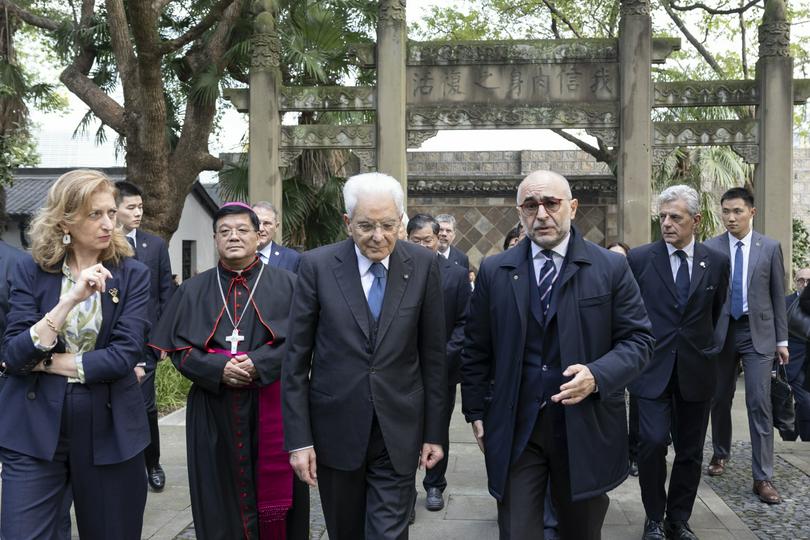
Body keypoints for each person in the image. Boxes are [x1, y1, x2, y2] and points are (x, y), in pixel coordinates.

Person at [461, 170, 654, 539]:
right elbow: (476, 348)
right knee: (517, 529)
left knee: (579, 530)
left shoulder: (610, 268)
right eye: (531, 205)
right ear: (520, 212)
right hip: (518, 425)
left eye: (551, 203)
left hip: (585, 425)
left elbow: (639, 341)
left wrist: (598, 375)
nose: (542, 214)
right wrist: (475, 410)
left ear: (573, 207)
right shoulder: (495, 270)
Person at [282, 172, 447, 539]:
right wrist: (300, 441)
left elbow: (434, 358)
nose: (378, 236)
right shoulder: (316, 266)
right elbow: (295, 362)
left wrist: (435, 434)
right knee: (345, 531)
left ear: (400, 220)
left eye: (388, 225)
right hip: (335, 428)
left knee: (389, 533)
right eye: (366, 226)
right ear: (347, 223)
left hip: (399, 429)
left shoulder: (423, 266)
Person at [0, 169, 150, 539]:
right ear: (65, 220)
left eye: (111, 213)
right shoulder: (29, 270)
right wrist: (69, 300)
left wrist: (46, 362)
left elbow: (123, 356)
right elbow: (14, 354)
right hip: (33, 428)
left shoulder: (133, 274)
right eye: (94, 214)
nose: (107, 223)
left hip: (110, 427)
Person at [150, 203, 308, 539]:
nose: (233, 236)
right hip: (212, 409)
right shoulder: (193, 289)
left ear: (258, 235)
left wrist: (259, 364)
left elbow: (304, 343)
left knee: (279, 500)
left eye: (242, 230)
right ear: (215, 239)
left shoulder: (290, 284)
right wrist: (218, 367)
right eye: (225, 232)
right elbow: (179, 350)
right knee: (215, 494)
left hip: (274, 405)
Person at [627, 185, 730, 540]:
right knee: (652, 444)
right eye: (663, 217)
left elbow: (715, 313)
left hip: (696, 371)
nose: (667, 224)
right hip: (651, 370)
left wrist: (707, 351)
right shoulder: (640, 259)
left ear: (696, 221)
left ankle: (678, 519)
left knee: (690, 451)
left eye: (675, 217)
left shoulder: (716, 262)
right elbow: (630, 314)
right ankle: (654, 517)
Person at [705, 187, 788, 504]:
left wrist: (781, 340)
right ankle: (720, 453)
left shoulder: (769, 247)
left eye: (737, 211)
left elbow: (778, 296)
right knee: (719, 397)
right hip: (722, 332)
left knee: (758, 401)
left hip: (759, 333)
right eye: (726, 211)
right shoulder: (711, 248)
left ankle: (763, 477)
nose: (730, 217)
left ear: (751, 212)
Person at [406, 213, 470, 516]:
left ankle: (435, 484)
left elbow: (464, 324)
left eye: (427, 241)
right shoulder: (396, 270)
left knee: (437, 426)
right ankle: (403, 488)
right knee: (402, 429)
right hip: (401, 370)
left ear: (438, 240)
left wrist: (442, 356)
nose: (422, 245)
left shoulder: (456, 275)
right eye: (415, 240)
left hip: (442, 370)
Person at [115, 180, 174, 491]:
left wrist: (163, 339)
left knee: (146, 406)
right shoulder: (104, 246)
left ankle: (152, 462)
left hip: (147, 341)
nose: (138, 213)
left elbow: (166, 294)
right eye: (131, 207)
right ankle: (124, 466)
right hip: (112, 341)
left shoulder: (155, 245)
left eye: (140, 207)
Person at [608, 241, 640, 477]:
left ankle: (635, 453)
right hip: (607, 356)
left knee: (637, 404)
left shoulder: (635, 284)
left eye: (622, 258)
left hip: (631, 353)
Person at [783, 268, 810, 441]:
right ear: (795, 281)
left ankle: (800, 437)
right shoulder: (785, 303)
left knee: (805, 403)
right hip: (791, 361)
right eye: (801, 280)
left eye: (809, 281)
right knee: (803, 402)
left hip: (808, 363)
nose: (805, 284)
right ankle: (793, 436)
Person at [253, 201, 301, 273]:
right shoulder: (237, 256)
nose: (261, 229)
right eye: (256, 222)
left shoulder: (292, 258)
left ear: (276, 226)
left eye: (267, 223)